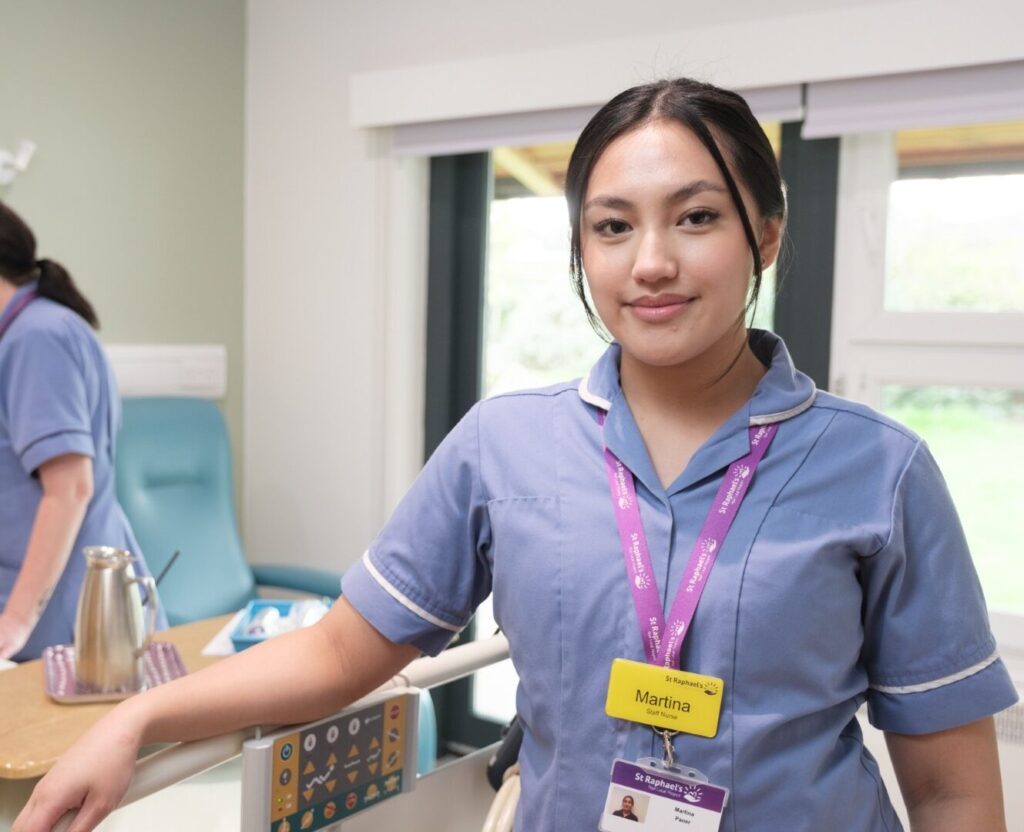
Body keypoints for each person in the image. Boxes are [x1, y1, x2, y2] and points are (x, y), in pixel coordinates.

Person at [14, 78, 1018, 832]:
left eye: (696, 217)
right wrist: (134, 722)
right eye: (613, 226)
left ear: (765, 233)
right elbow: (338, 651)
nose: (652, 261)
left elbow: (950, 785)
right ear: (581, 249)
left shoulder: (878, 470)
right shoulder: (506, 444)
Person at [0, 201, 165, 661]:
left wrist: (13, 623)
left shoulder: (37, 338)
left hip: (56, 624)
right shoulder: (25, 334)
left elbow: (70, 489)